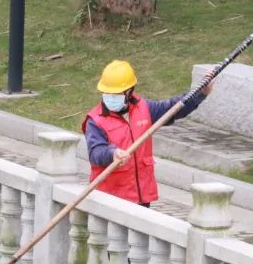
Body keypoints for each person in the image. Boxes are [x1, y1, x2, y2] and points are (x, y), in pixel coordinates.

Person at [82, 60, 214, 207]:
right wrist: (112, 153)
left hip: (141, 198)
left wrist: (200, 93)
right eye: (107, 92)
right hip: (111, 198)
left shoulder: (144, 108)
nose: (111, 97)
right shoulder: (95, 120)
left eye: (116, 93)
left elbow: (174, 108)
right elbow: (96, 152)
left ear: (129, 91)